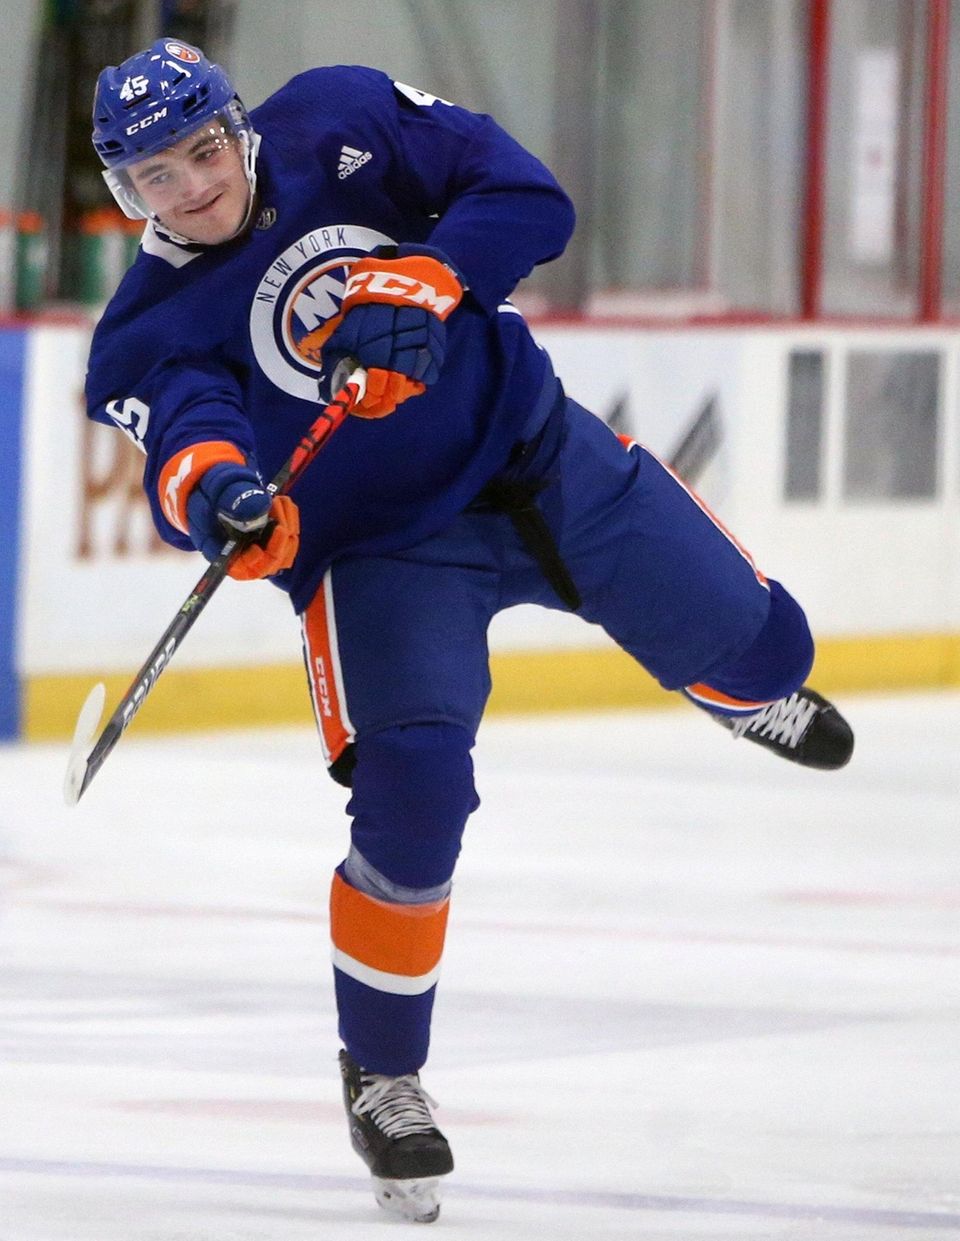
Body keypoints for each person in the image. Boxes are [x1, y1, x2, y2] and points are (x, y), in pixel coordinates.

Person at [86, 40, 854, 1223]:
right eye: (151, 177)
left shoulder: (343, 116)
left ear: (237, 127)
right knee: (413, 797)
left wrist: (427, 277)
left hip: (537, 455)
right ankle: (385, 1073)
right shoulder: (146, 326)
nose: (188, 188)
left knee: (773, 651)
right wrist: (230, 503)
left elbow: (527, 196)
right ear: (121, 193)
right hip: (384, 558)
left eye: (198, 151)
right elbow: (186, 433)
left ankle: (728, 685)